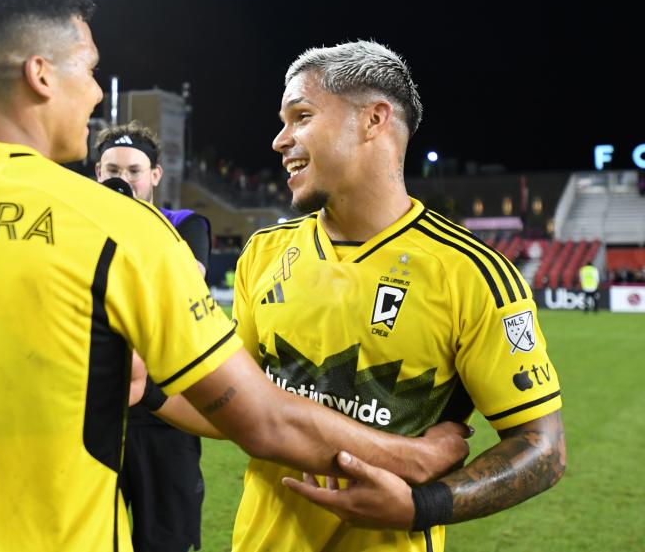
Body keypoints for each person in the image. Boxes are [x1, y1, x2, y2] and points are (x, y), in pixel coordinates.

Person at [0, 0, 468, 552]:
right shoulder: (118, 230)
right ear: (40, 74)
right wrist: (412, 457)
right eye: (89, 69)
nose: (96, 92)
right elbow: (263, 418)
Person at [181, 41, 562, 551]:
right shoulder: (264, 252)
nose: (279, 140)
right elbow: (240, 407)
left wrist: (423, 506)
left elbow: (542, 449)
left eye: (301, 116)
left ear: (373, 120)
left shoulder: (470, 273)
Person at [94, 122, 212, 552]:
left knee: (166, 543)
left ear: (155, 176)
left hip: (167, 417)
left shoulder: (184, 224)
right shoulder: (77, 227)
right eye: (112, 170)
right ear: (96, 173)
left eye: (133, 171)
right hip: (96, 420)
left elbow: (184, 289)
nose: (121, 180)